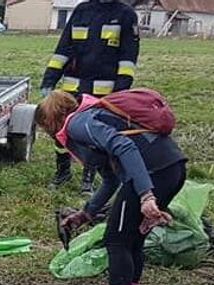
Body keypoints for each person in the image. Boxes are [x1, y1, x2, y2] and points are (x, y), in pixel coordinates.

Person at [36, 90, 186, 285]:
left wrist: (146, 195)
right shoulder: (94, 118)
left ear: (51, 120)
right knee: (132, 241)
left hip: (153, 174)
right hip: (171, 168)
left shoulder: (78, 123)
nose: (46, 133)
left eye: (43, 128)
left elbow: (123, 145)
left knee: (116, 242)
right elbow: (111, 177)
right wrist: (87, 213)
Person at [40, 0, 140, 194]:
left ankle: (88, 179)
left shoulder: (125, 14)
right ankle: (62, 173)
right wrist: (48, 81)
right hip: (72, 88)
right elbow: (63, 50)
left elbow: (128, 59)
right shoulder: (81, 10)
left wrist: (120, 92)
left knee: (94, 136)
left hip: (104, 92)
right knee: (61, 133)